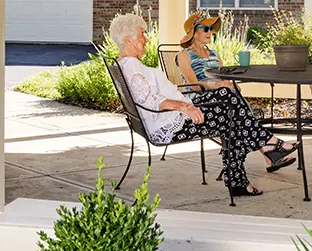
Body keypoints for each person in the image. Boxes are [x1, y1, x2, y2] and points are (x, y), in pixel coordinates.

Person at [112, 12, 297, 198]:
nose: (146, 38)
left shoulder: (129, 65)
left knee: (229, 103)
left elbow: (153, 96)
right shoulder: (133, 67)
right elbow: (153, 102)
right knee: (232, 114)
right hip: (172, 124)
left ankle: (262, 153)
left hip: (172, 118)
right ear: (129, 40)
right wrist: (186, 107)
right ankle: (266, 147)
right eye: (142, 34)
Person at [175, 12, 238, 92]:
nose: (210, 32)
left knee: (234, 92)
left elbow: (224, 79)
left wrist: (231, 85)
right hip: (199, 96)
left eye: (211, 28)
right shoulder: (184, 55)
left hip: (221, 94)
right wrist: (216, 85)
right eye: (205, 29)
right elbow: (194, 85)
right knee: (228, 96)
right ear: (193, 33)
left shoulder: (214, 54)